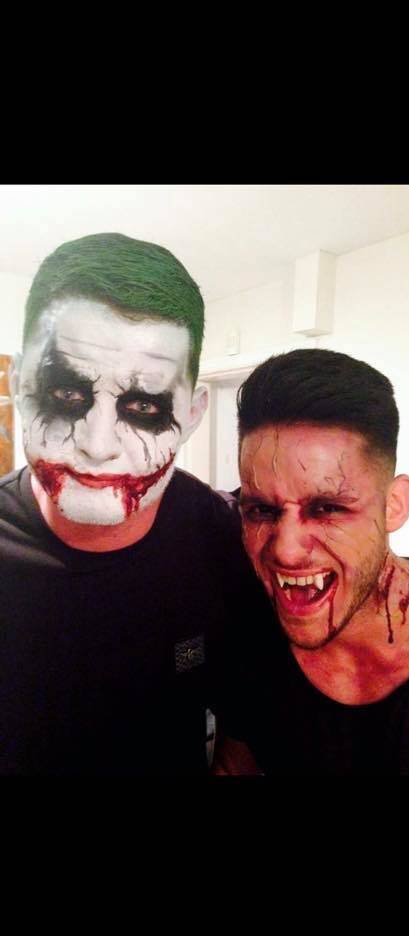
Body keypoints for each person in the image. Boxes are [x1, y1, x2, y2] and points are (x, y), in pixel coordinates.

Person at [0, 231, 265, 775]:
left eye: (143, 407)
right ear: (18, 383)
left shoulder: (225, 538)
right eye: (66, 394)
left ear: (192, 415)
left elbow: (246, 695)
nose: (98, 445)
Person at [215, 348, 409, 774]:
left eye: (327, 508)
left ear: (394, 505)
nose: (285, 550)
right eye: (262, 510)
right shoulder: (250, 633)